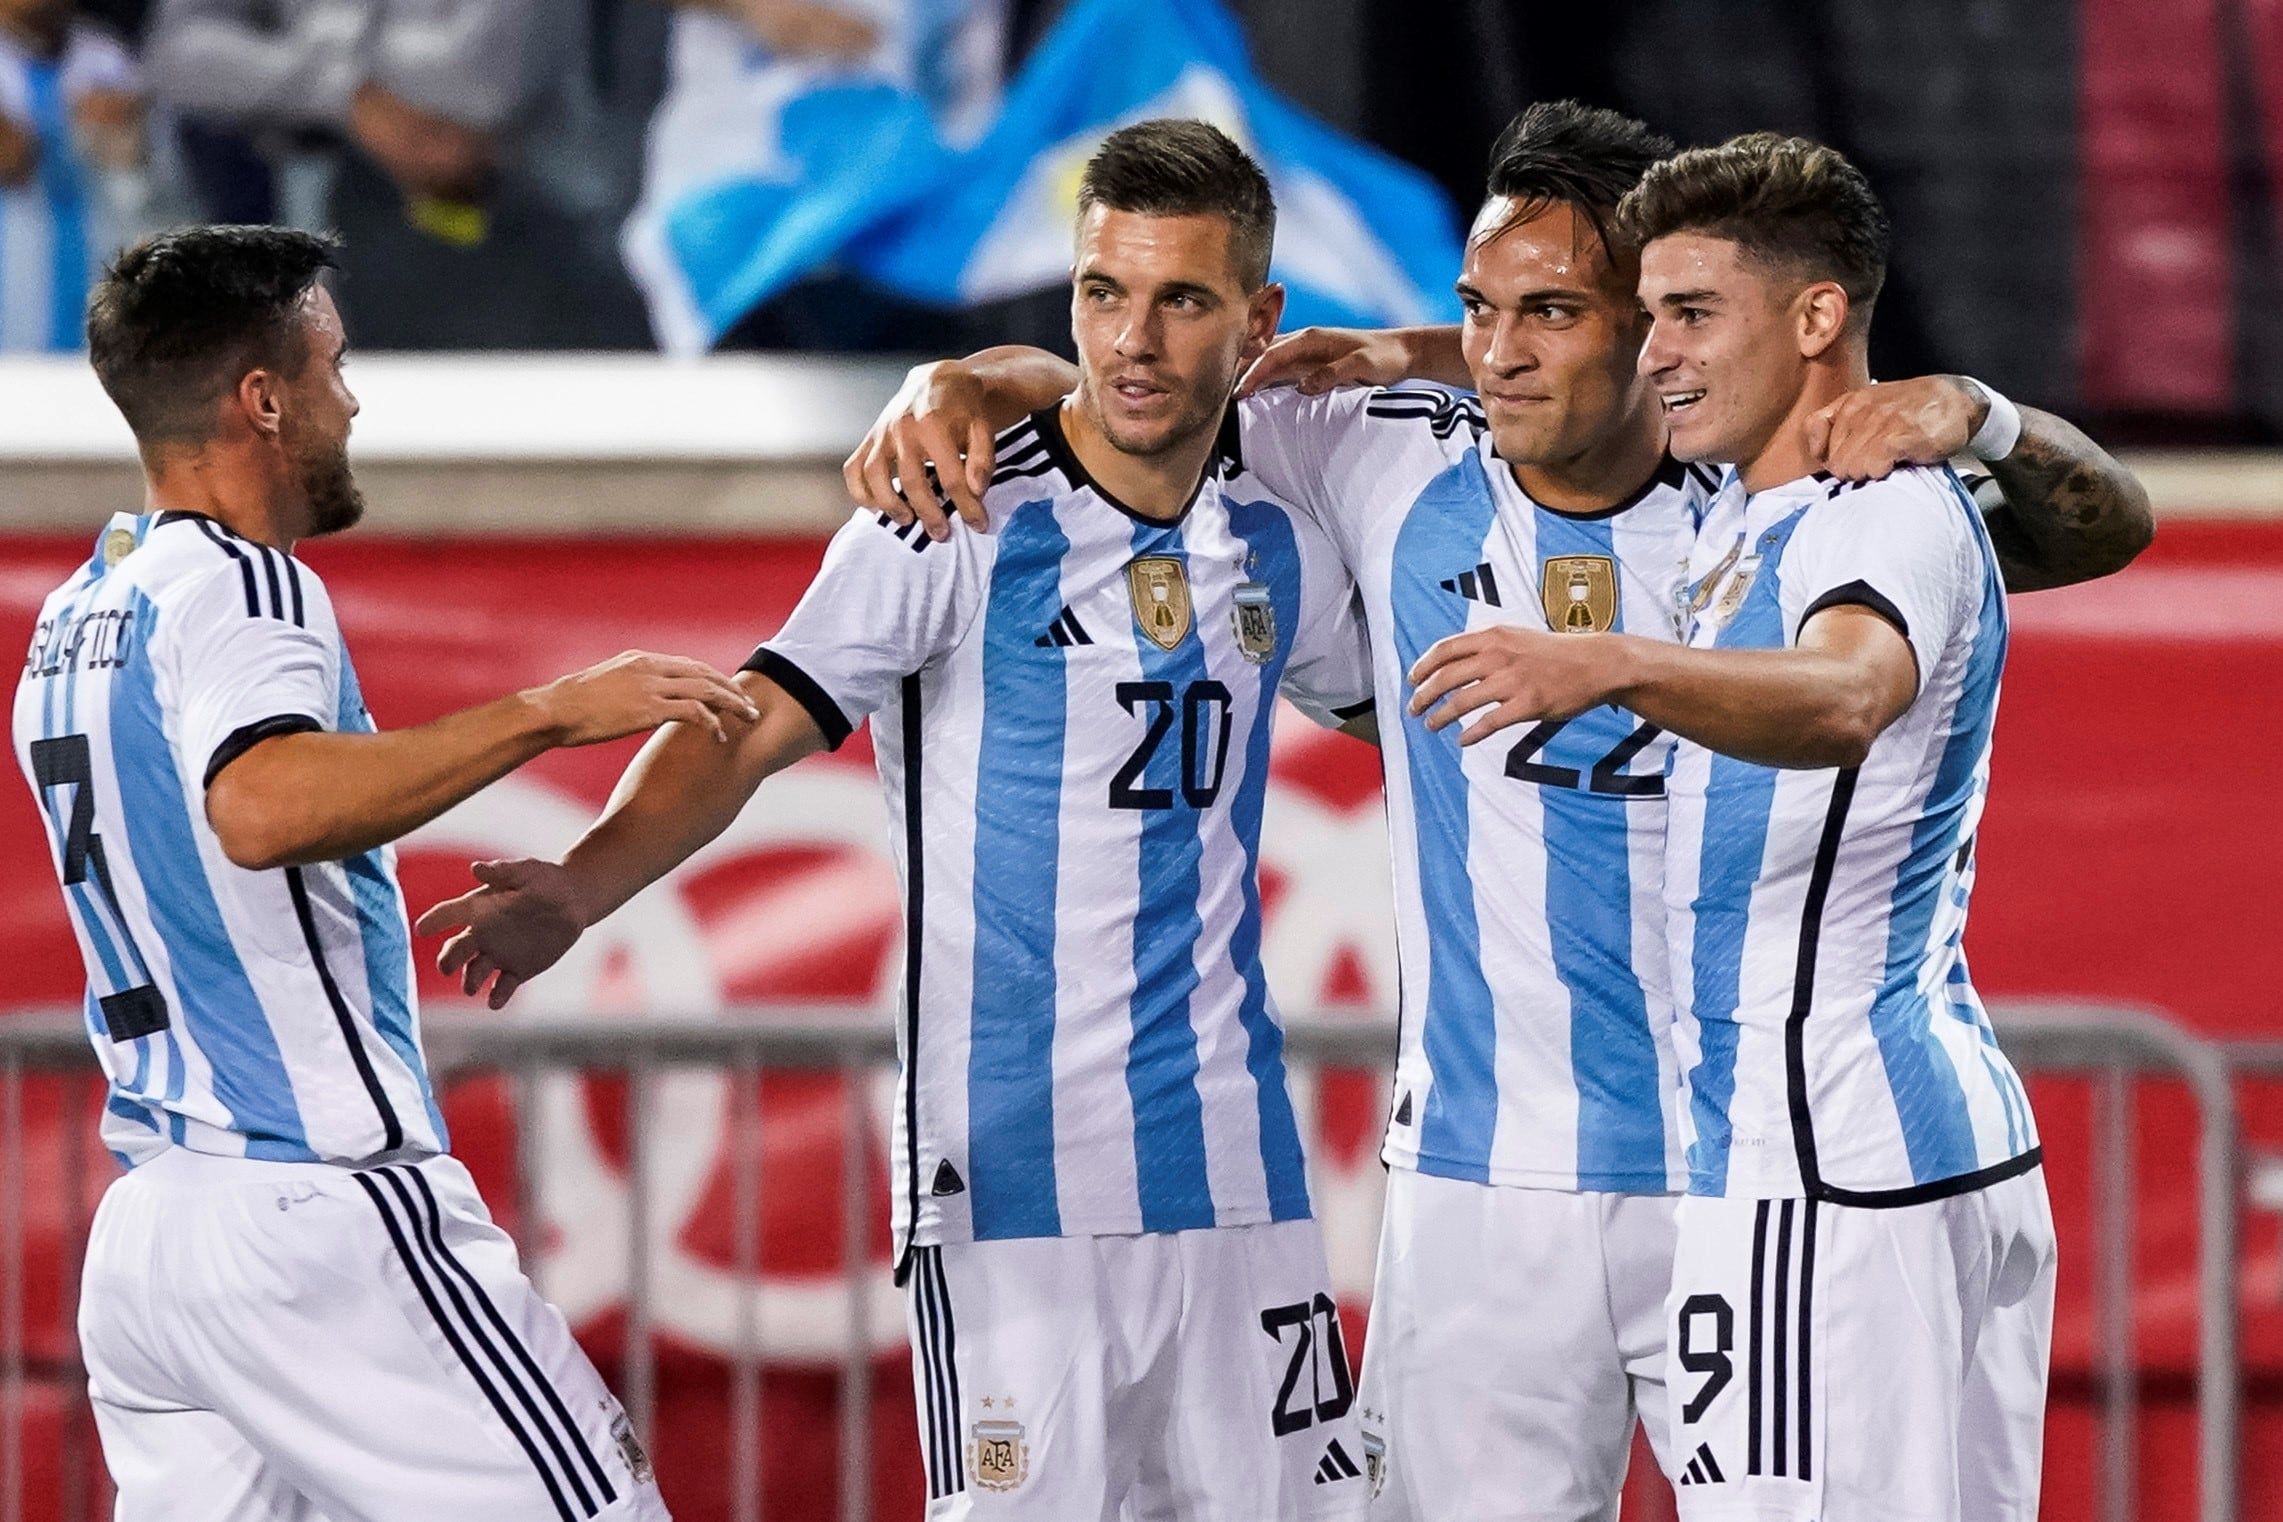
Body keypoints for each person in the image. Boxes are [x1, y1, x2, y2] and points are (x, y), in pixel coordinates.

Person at [842, 105, 2147, 1522]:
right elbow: (1144, 386)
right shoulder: (1382, 455)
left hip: (1732, 1177)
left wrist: (1972, 407)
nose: (1496, 348)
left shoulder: (1777, 483)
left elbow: (2090, 530)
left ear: (1652, 328)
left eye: (1552, 311)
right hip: (1479, 1186)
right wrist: (962, 376)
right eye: (1475, 309)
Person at [420, 120, 1374, 1522]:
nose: (1134, 337)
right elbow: (748, 723)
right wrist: (580, 881)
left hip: (1237, 1167)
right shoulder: (958, 514)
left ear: (1257, 318)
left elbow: (1402, 717)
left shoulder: (1279, 533)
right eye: (1103, 292)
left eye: (1180, 299)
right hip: (1009, 1179)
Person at [11, 225, 754, 1520]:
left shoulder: (80, 613)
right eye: (333, 366)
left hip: (155, 1232)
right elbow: (260, 803)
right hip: (313, 1210)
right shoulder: (247, 584)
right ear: (264, 398)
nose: (350, 401)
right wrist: (547, 709)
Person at [1405, 131, 2060, 1521]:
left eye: (1692, 316)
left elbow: (1843, 694)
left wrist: (1605, 665)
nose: (1657, 354)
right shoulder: (1759, 510)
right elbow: (2080, 528)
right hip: (1885, 1149)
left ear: (1816, 316)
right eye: (1648, 319)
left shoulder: (1864, 508)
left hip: (1820, 1167)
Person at [0, 0, 145, 350]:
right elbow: (11, 158)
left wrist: (128, 126)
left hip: (97, 272)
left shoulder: (105, 55)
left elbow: (138, 158)